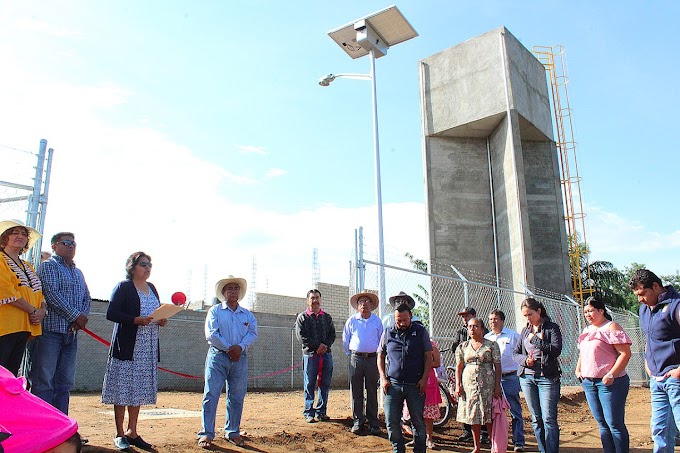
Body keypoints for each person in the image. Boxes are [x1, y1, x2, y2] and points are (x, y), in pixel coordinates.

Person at [101, 252, 168, 451]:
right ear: (132, 267)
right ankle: (119, 433)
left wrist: (161, 319)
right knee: (122, 390)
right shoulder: (123, 287)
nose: (147, 268)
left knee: (136, 391)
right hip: (127, 347)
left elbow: (155, 313)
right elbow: (111, 313)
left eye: (149, 264)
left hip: (146, 349)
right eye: (143, 264)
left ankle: (133, 432)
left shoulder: (152, 288)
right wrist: (135, 320)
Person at [29, 232, 91, 415]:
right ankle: (43, 427)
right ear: (54, 246)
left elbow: (86, 297)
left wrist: (82, 318)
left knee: (64, 383)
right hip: (50, 332)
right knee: (44, 382)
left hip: (71, 334)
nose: (71, 246)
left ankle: (62, 429)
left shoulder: (78, 272)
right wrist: (75, 316)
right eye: (66, 242)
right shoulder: (48, 266)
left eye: (73, 243)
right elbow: (51, 294)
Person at [198, 276, 258, 449]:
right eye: (229, 288)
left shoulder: (247, 314)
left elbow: (253, 333)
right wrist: (229, 349)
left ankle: (233, 431)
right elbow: (211, 334)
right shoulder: (215, 311)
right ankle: (207, 433)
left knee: (237, 396)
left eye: (236, 288)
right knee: (211, 395)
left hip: (240, 359)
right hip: (218, 357)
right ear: (223, 292)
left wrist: (240, 347)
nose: (233, 291)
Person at [629, 269, 680, 453]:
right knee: (659, 430)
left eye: (642, 294)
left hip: (676, 378)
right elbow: (649, 338)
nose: (639, 299)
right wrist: (647, 362)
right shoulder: (644, 309)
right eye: (636, 295)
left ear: (656, 286)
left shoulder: (676, 305)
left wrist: (679, 370)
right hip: (657, 380)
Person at [575, 296, 632, 453]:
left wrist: (611, 374)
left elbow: (625, 354)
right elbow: (583, 353)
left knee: (614, 423)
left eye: (591, 311)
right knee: (602, 423)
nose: (588, 314)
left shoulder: (611, 327)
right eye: (585, 311)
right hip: (589, 382)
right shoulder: (587, 331)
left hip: (611, 383)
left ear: (601, 310)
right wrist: (578, 369)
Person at [378, 291, 433, 453]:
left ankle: (419, 450)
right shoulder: (388, 332)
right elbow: (380, 355)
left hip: (415, 385)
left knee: (417, 422)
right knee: (391, 421)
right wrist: (383, 378)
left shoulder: (420, 331)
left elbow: (428, 356)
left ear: (411, 317)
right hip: (392, 385)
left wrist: (424, 379)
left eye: (404, 320)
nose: (401, 323)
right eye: (398, 320)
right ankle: (398, 450)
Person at [512, 297, 562, 453]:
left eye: (530, 314)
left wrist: (536, 340)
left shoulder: (552, 328)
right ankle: (542, 450)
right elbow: (515, 354)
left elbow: (556, 350)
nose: (528, 318)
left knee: (548, 419)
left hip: (547, 378)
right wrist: (526, 361)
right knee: (536, 419)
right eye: (525, 316)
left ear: (539, 311)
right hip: (527, 378)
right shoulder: (525, 330)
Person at [0, 219, 46, 376]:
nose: (20, 236)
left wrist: (42, 311)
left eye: (24, 234)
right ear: (4, 237)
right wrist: (33, 310)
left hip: (24, 326)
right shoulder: (0, 259)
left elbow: (39, 293)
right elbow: (5, 291)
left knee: (11, 374)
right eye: (15, 232)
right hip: (4, 326)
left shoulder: (27, 266)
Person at [455, 317, 501, 453]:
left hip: (488, 385)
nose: (472, 329)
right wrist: (458, 385)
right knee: (473, 415)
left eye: (475, 326)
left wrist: (497, 386)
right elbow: (459, 367)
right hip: (469, 386)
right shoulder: (462, 347)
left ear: (482, 328)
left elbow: (498, 367)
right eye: (470, 327)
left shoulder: (491, 345)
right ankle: (477, 447)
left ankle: (495, 446)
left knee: (489, 415)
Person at [342, 291, 383, 435]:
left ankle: (373, 423)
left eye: (367, 301)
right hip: (356, 359)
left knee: (372, 391)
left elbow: (381, 340)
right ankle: (358, 421)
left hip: (372, 359)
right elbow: (345, 340)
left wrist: (377, 356)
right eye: (361, 302)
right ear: (357, 306)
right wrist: (352, 354)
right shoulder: (352, 321)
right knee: (356, 391)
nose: (364, 304)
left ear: (371, 305)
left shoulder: (377, 322)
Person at [485, 309, 525, 452]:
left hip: (510, 378)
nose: (492, 322)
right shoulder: (487, 338)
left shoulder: (513, 336)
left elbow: (521, 355)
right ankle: (498, 443)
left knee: (514, 410)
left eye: (495, 319)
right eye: (490, 319)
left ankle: (518, 441)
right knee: (494, 412)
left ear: (502, 320)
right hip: (491, 380)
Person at [295, 289, 335, 423]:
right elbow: (302, 337)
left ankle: (321, 411)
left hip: (326, 355)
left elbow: (332, 335)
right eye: (312, 298)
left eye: (317, 298)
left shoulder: (327, 317)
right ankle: (308, 412)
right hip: (310, 355)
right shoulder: (302, 318)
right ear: (308, 300)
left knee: (325, 383)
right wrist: (317, 346)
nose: (315, 300)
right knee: (309, 383)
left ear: (321, 300)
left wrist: (325, 346)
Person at [451, 306, 489, 444]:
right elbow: (454, 348)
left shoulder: (484, 330)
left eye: (467, 316)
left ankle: (485, 433)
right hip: (466, 371)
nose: (464, 319)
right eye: (463, 317)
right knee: (466, 401)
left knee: (483, 403)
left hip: (483, 374)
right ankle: (467, 431)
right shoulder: (461, 331)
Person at [423, 338, 442, 449]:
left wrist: (423, 365)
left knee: (428, 412)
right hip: (413, 379)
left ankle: (429, 438)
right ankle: (417, 438)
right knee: (414, 411)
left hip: (428, 380)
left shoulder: (431, 345)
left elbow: (437, 362)